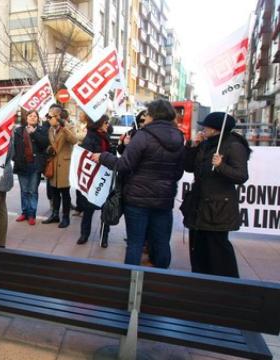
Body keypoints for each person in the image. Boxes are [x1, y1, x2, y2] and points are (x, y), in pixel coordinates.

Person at [94, 100, 185, 265]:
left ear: (153, 115)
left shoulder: (144, 135)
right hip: (164, 199)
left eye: (148, 114)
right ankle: (161, 278)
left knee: (135, 243)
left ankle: (131, 282)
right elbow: (178, 172)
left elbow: (124, 165)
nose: (146, 117)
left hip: (137, 200)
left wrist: (103, 156)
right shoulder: (179, 136)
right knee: (162, 243)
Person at [182, 112, 250, 278]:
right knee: (198, 247)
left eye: (206, 127)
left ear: (216, 130)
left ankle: (227, 285)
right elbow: (189, 167)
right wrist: (193, 146)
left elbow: (241, 175)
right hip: (199, 205)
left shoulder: (233, 146)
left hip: (218, 208)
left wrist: (221, 166)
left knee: (218, 248)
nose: (202, 129)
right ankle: (202, 281)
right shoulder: (205, 144)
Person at [79, 115, 114, 247]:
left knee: (106, 210)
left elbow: (111, 153)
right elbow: (88, 157)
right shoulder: (89, 138)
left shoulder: (106, 136)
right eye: (106, 122)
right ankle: (84, 234)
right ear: (99, 124)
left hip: (106, 177)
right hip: (93, 178)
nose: (108, 124)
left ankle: (104, 237)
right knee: (88, 209)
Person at [42, 107, 77, 228]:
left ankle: (66, 217)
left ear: (58, 117)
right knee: (54, 192)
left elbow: (74, 140)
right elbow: (50, 145)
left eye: (50, 117)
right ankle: (55, 215)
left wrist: (64, 127)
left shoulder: (69, 127)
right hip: (54, 163)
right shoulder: (50, 129)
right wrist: (49, 149)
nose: (48, 119)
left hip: (65, 164)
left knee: (65, 193)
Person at [12, 110, 49, 225]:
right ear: (26, 118)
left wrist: (34, 133)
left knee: (32, 191)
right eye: (30, 116)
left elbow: (45, 144)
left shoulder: (42, 130)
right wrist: (16, 159)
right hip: (22, 164)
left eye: (35, 116)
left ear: (38, 119)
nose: (33, 118)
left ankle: (32, 214)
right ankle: (24, 212)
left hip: (35, 165)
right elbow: (14, 147)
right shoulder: (19, 130)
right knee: (24, 191)